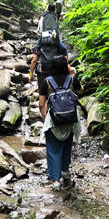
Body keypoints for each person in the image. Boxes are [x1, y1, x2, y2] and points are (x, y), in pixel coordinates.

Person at [39, 55, 82, 189]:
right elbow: (81, 91)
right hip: (70, 119)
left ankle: (56, 181)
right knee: (66, 148)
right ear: (65, 66)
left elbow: (41, 104)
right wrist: (72, 74)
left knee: (53, 150)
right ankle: (66, 174)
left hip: (54, 120)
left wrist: (44, 115)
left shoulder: (46, 82)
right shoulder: (72, 79)